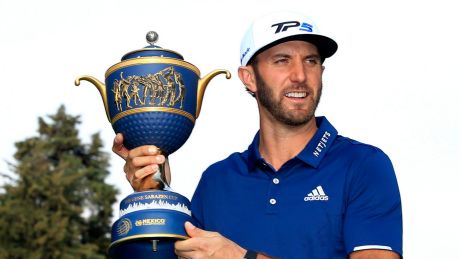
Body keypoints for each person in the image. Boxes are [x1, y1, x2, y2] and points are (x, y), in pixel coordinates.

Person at [112, 11, 403, 259]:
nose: (300, 75)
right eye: (282, 60)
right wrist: (154, 197)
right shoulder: (216, 181)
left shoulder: (363, 165)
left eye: (311, 61)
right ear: (249, 77)